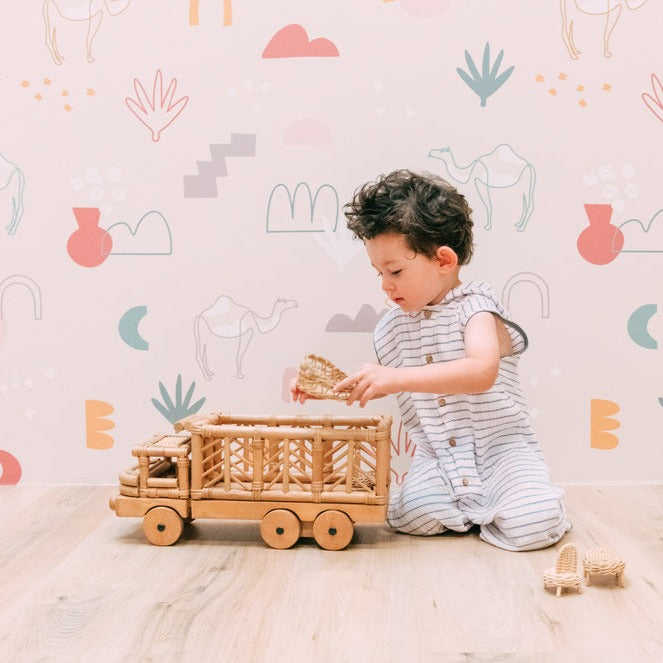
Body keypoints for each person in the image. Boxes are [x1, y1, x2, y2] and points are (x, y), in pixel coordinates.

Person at [290, 169, 571, 552]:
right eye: (379, 273)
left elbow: (481, 371)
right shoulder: (395, 327)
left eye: (395, 271)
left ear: (443, 260)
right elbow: (385, 380)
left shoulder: (475, 310)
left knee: (533, 522)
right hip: (441, 459)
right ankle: (475, 511)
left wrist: (396, 378)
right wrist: (329, 388)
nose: (385, 284)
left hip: (502, 452)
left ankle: (525, 504)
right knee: (410, 515)